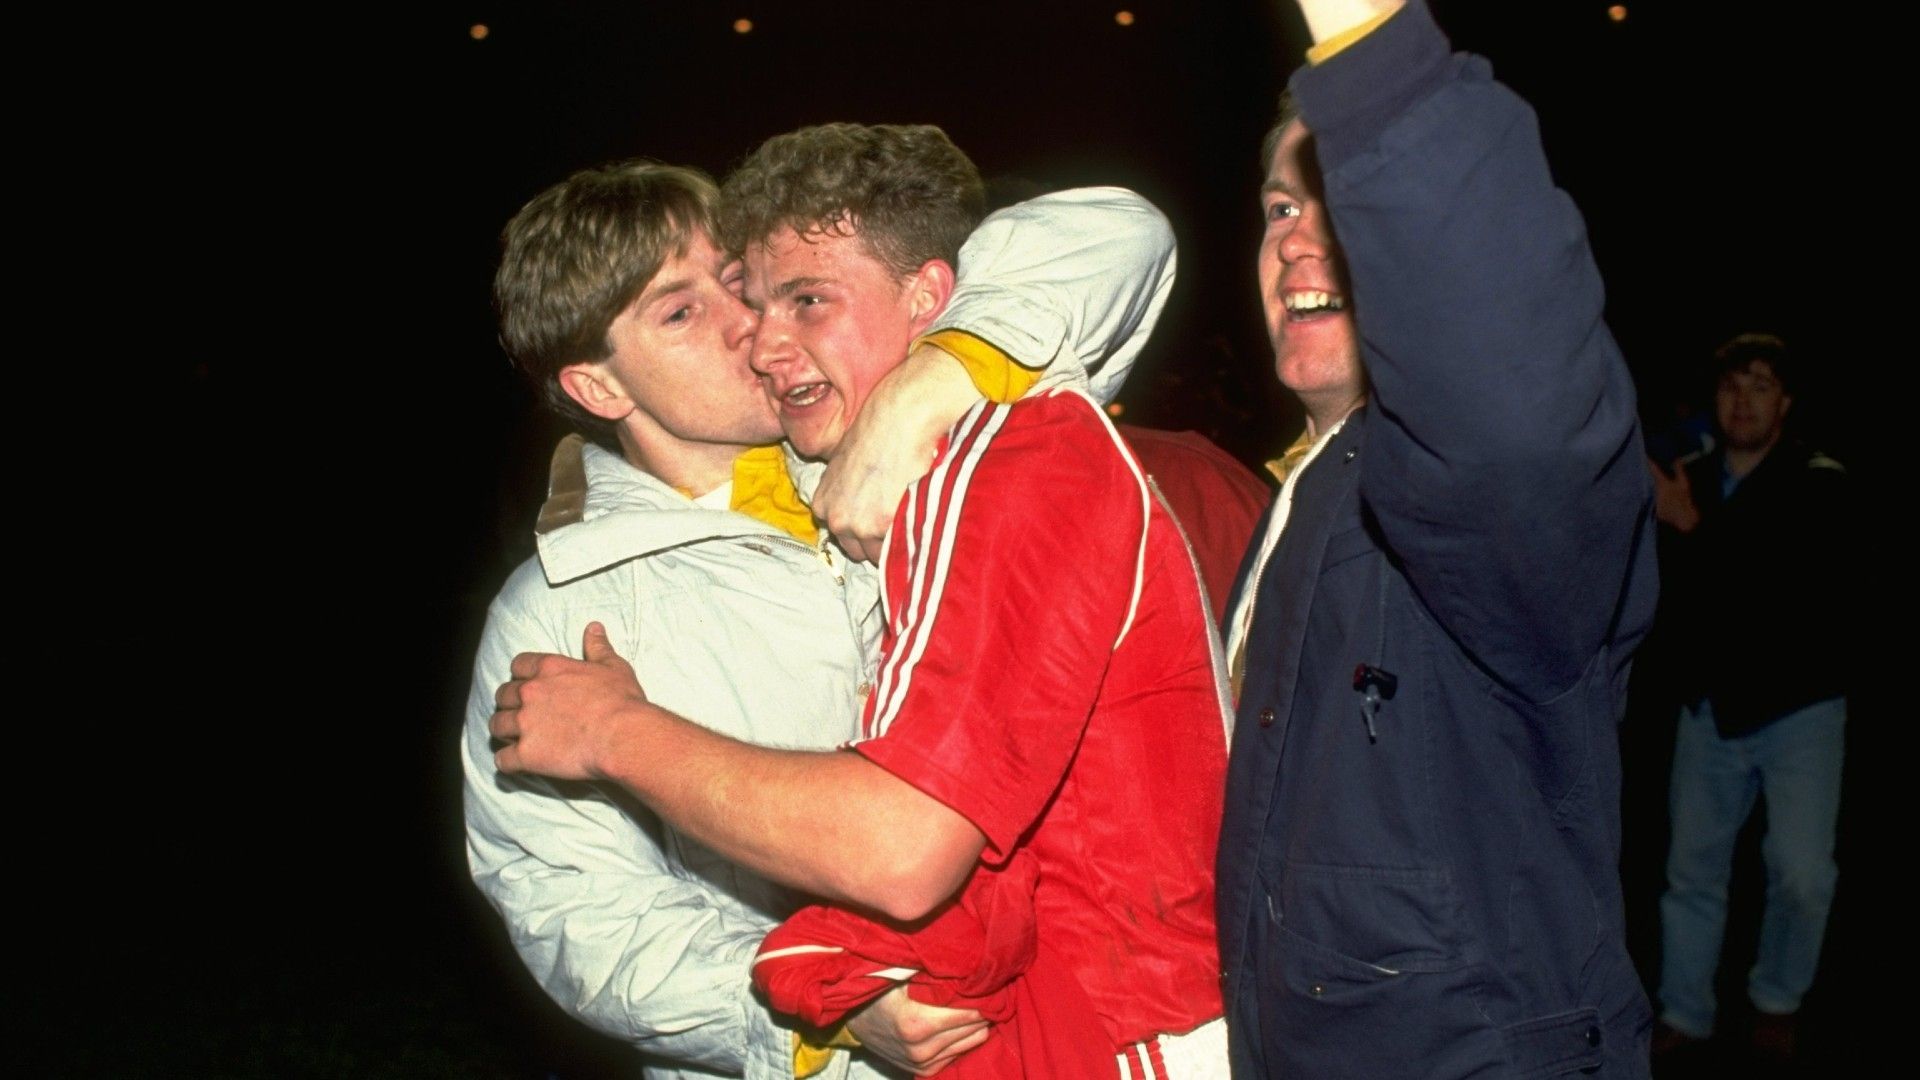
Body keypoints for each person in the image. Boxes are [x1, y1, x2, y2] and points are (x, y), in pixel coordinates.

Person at [490, 123, 1234, 1077]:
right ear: (597, 385)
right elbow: (574, 911)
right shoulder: (562, 604)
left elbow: (1117, 230)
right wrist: (813, 1013)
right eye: (680, 312)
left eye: (739, 284)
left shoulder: (922, 445)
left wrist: (931, 379)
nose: (747, 329)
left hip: (1074, 1026)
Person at [1213, 2, 1659, 1077]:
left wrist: (1372, 56)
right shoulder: (1294, 497)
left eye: (1338, 199)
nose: (1299, 238)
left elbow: (1508, 406)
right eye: (1279, 207)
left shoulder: (1464, 494)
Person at [1648, 333, 1850, 1064]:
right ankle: (1685, 1011)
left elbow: (1772, 591)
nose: (1744, 400)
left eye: (1761, 386)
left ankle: (1777, 998)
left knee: (1802, 873)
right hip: (1708, 710)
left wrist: (1688, 526)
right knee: (1691, 873)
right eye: (1733, 384)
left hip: (1799, 711)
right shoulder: (1690, 474)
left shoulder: (1820, 482)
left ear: (1785, 403)